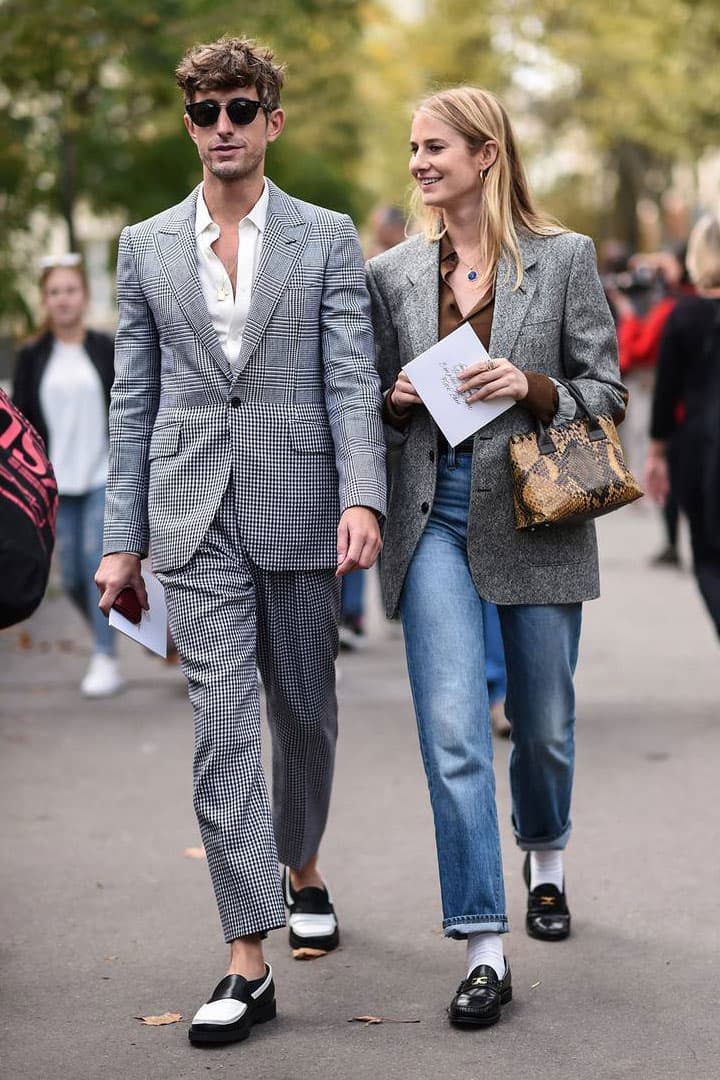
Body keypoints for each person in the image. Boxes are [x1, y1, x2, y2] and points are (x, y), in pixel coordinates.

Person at [93, 36, 386, 1048]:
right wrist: (119, 542)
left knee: (303, 709)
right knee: (223, 728)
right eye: (207, 111)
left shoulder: (325, 236)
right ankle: (245, 955)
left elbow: (350, 377)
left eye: (240, 108)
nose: (224, 126)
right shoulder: (142, 246)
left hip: (303, 501)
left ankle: (301, 864)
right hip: (189, 516)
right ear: (191, 123)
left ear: (273, 119)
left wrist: (365, 498)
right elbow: (133, 401)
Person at [366, 86, 627, 1028]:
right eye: (412, 148)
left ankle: (545, 855)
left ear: (486, 153)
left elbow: (610, 393)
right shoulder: (392, 274)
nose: (419, 163)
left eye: (434, 146)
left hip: (536, 511)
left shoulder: (563, 262)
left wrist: (534, 383)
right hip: (432, 514)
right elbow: (366, 405)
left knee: (545, 724)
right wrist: (394, 403)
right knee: (454, 734)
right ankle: (484, 945)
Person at [12, 256, 123, 697]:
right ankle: (135, 629)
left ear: (85, 296)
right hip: (55, 483)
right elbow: (20, 424)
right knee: (73, 577)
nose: (63, 299)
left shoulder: (104, 347)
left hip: (104, 474)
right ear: (45, 300)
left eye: (70, 290)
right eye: (54, 292)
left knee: (99, 565)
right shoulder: (31, 357)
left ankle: (105, 655)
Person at [645, 213, 720, 638]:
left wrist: (657, 454)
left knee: (708, 556)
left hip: (699, 446)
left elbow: (665, 393)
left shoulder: (683, 316)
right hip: (699, 445)